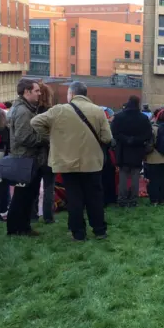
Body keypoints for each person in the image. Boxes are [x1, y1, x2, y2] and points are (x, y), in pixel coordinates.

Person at [31, 81, 112, 241]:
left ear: (71, 94)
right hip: (92, 162)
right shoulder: (98, 111)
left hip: (67, 161)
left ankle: (78, 233)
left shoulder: (59, 110)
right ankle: (99, 230)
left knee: (74, 198)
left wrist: (53, 138)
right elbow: (107, 138)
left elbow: (35, 122)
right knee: (94, 197)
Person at [6, 79, 46, 237]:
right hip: (26, 160)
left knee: (24, 195)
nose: (39, 93)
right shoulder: (24, 111)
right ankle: (18, 228)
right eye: (36, 91)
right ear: (26, 92)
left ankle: (20, 227)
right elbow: (23, 137)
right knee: (23, 196)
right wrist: (43, 139)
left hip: (24, 159)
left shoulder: (22, 108)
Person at [111, 96, 152, 208]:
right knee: (135, 176)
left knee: (123, 176)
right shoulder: (143, 118)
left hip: (123, 150)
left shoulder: (119, 117)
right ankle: (133, 199)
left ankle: (122, 199)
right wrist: (136, 140)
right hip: (137, 150)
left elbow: (114, 133)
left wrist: (126, 139)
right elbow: (148, 135)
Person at [33, 81, 56, 224]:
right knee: (49, 187)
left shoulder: (31, 111)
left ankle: (33, 214)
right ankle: (48, 216)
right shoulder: (52, 112)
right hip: (49, 154)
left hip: (34, 154)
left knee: (33, 186)